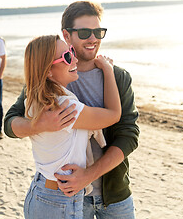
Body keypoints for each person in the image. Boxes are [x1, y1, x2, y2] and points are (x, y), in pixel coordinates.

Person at [4, 1, 140, 218]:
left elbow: (129, 136)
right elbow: (10, 123)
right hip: (68, 196)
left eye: (98, 32)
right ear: (67, 35)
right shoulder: (48, 79)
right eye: (85, 32)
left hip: (115, 195)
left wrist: (89, 175)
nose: (93, 38)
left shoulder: (117, 76)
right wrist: (37, 125)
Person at [22, 35, 121, 219]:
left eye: (72, 52)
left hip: (41, 192)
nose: (74, 59)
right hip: (57, 201)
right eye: (67, 57)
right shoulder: (65, 108)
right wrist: (108, 70)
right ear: (48, 71)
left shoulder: (33, 100)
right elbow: (114, 115)